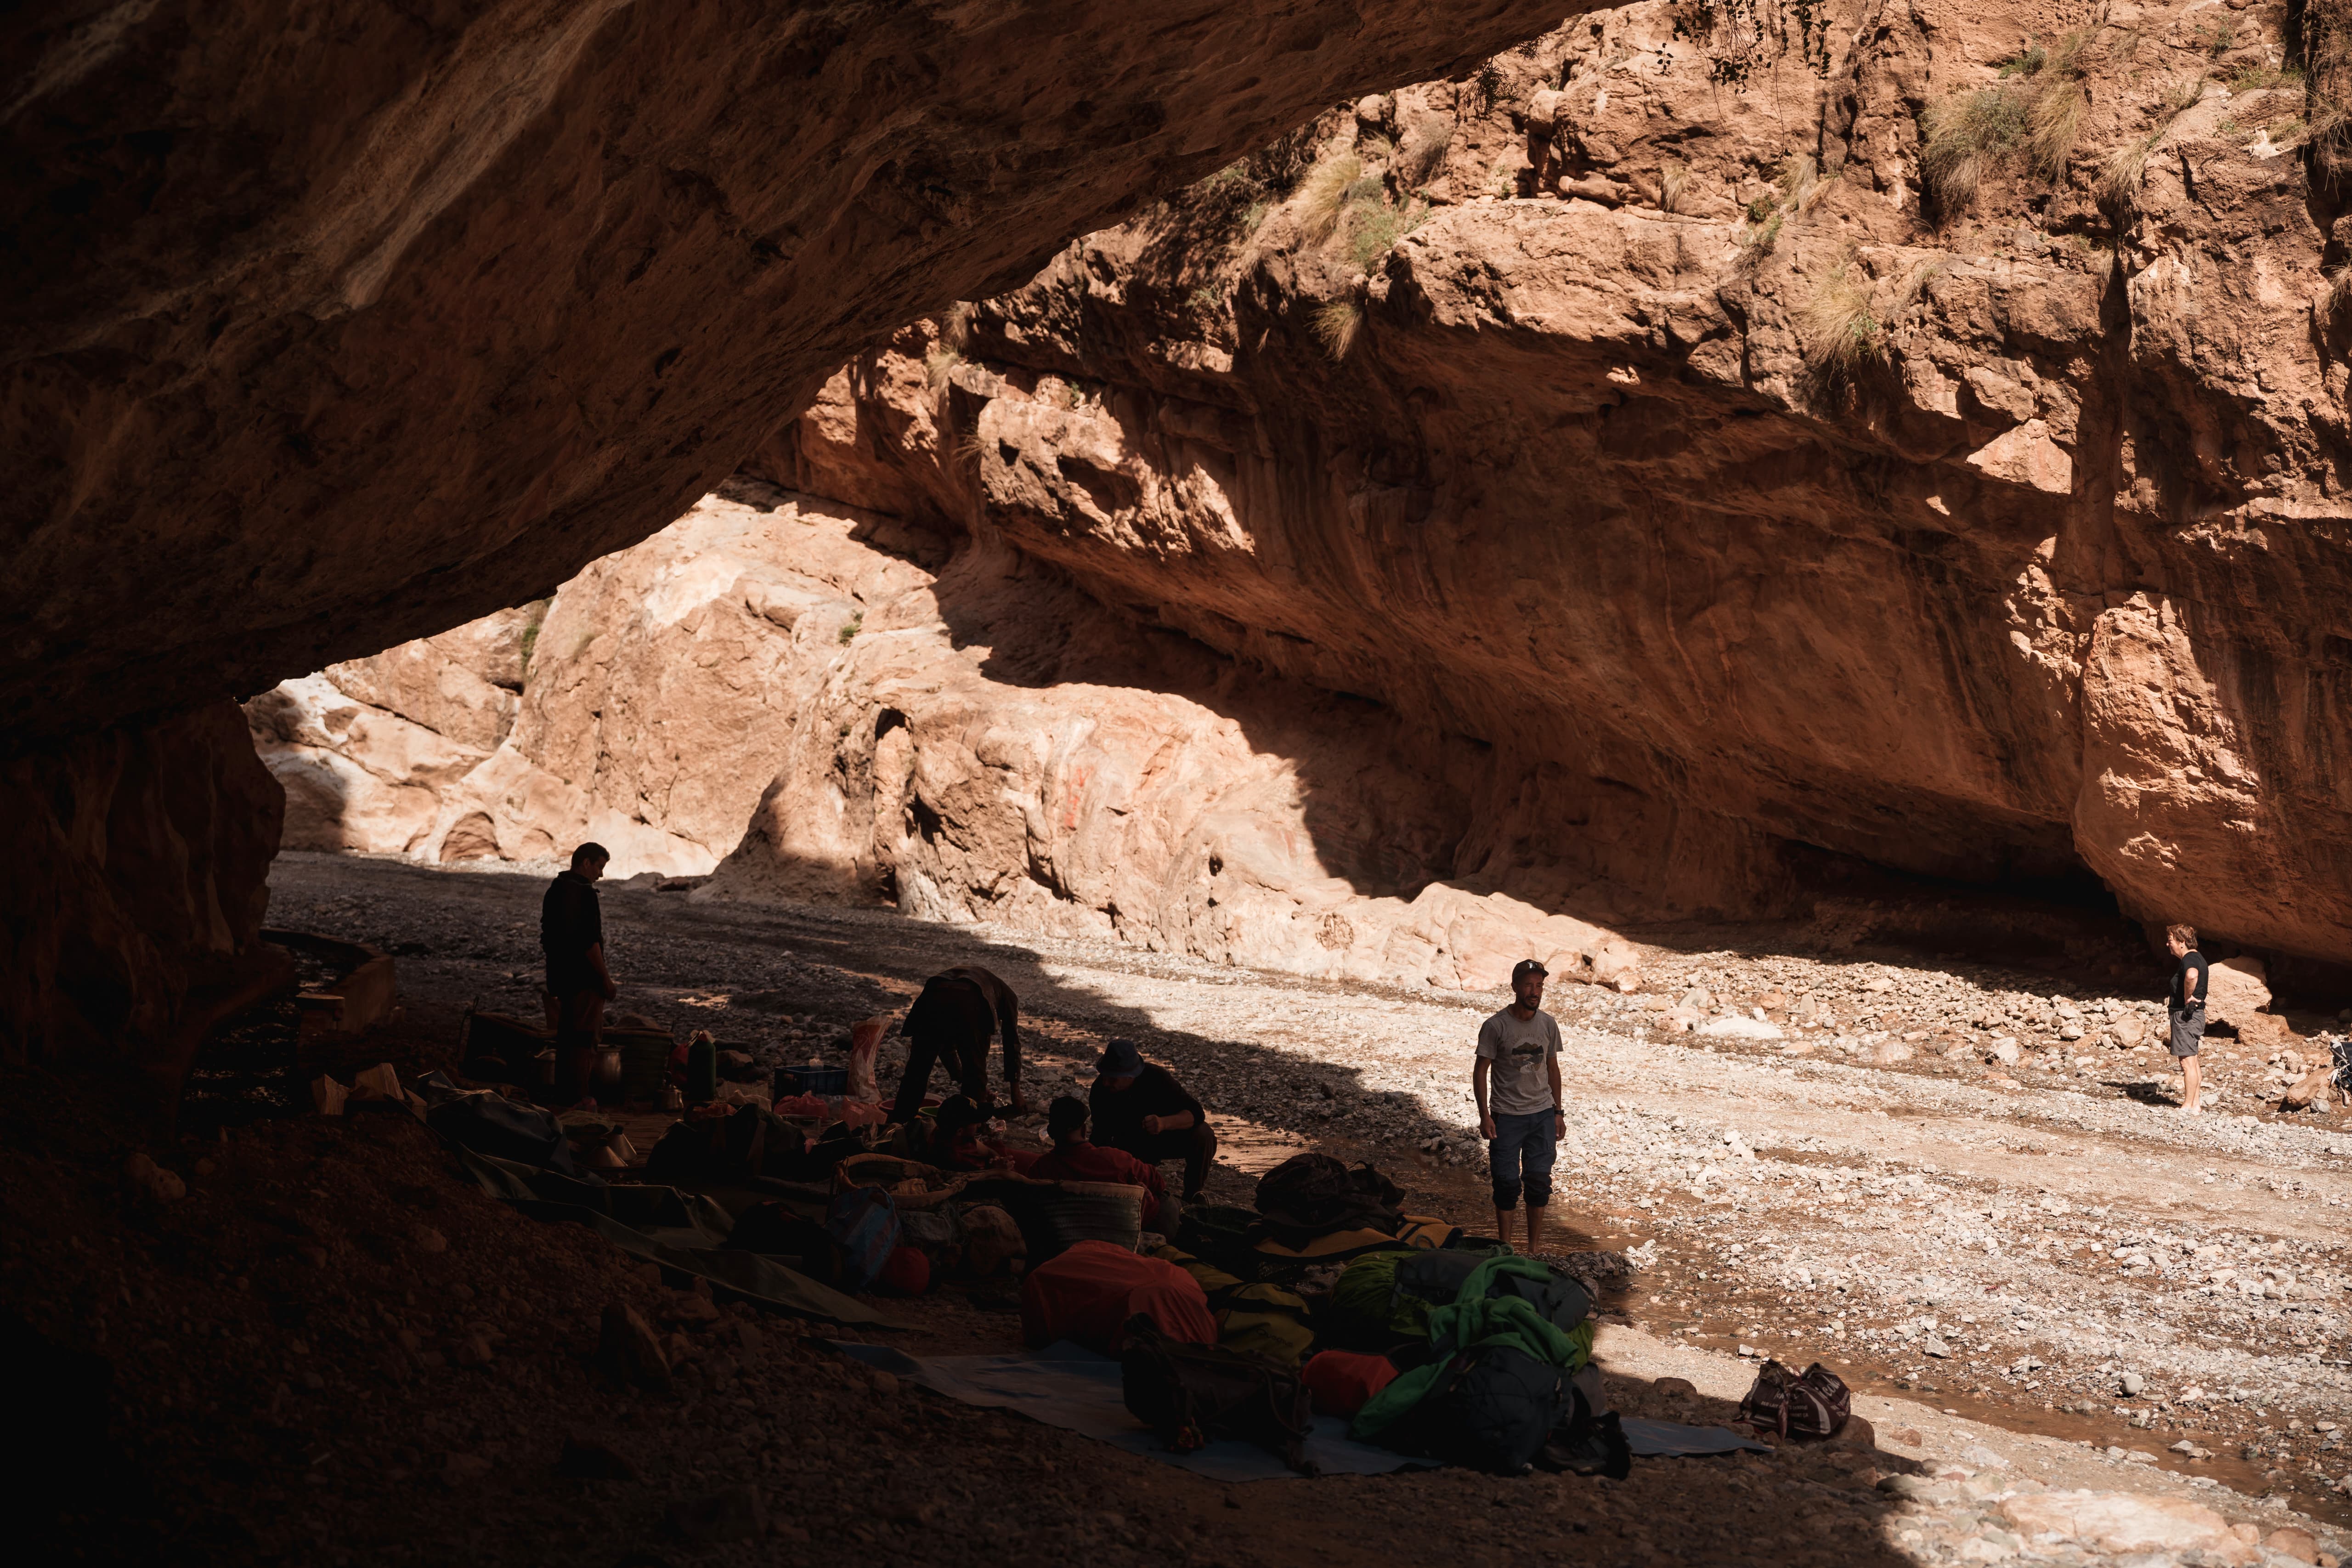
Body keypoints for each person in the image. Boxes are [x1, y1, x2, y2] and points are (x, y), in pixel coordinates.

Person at [1475, 958, 1566, 1254]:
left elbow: (1553, 1069)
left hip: (1542, 1115)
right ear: (1515, 987)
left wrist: (1558, 1112)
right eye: (1528, 985)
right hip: (1507, 1117)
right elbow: (1480, 1071)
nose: (1534, 991)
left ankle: (1534, 1250)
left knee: (1539, 1182)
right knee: (1505, 1184)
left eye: (1539, 985)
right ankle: (1506, 1248)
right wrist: (1485, 1116)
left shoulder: (1548, 1024)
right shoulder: (1495, 1026)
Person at [889, 964, 1028, 1122]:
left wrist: (964, 1078)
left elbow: (943, 1042)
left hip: (933, 994)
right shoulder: (1009, 997)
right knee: (974, 1074)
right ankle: (969, 1129)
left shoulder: (991, 986)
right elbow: (1011, 1043)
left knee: (917, 1071)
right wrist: (1015, 1092)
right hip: (970, 998)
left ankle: (898, 1125)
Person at [1090, 1038, 1216, 1203]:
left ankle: (1192, 1197)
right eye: (1105, 1075)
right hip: (1126, 1147)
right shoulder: (1100, 1089)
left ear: (1131, 1076)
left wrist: (1164, 1123)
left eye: (1113, 1078)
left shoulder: (1157, 1078)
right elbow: (1099, 1136)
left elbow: (1197, 1113)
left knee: (1204, 1134)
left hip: (1161, 1139)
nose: (1106, 1082)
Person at [1031, 1095, 1176, 1233]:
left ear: (1051, 1132)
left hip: (1076, 1231)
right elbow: (1158, 1182)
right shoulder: (1113, 1159)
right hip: (1145, 1223)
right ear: (1084, 1130)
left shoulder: (1040, 1169)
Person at [540, 843, 615, 1105]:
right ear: (586, 863)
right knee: (584, 1041)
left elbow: (549, 937)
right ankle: (578, 1100)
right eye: (599, 867)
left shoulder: (556, 889)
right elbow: (589, 942)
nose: (601, 874)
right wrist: (605, 979)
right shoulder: (584, 894)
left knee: (567, 1040)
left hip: (562, 979)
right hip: (584, 981)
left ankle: (565, 1099)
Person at [2166, 923, 2209, 1114]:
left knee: (2187, 1063)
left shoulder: (2189, 959)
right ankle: (2196, 1104)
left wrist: (2187, 997)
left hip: (2186, 1017)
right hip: (2194, 1016)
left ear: (2182, 942)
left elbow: (2191, 976)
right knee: (2193, 1061)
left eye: (2170, 940)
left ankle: (2187, 1106)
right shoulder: (2197, 957)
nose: (2168, 944)